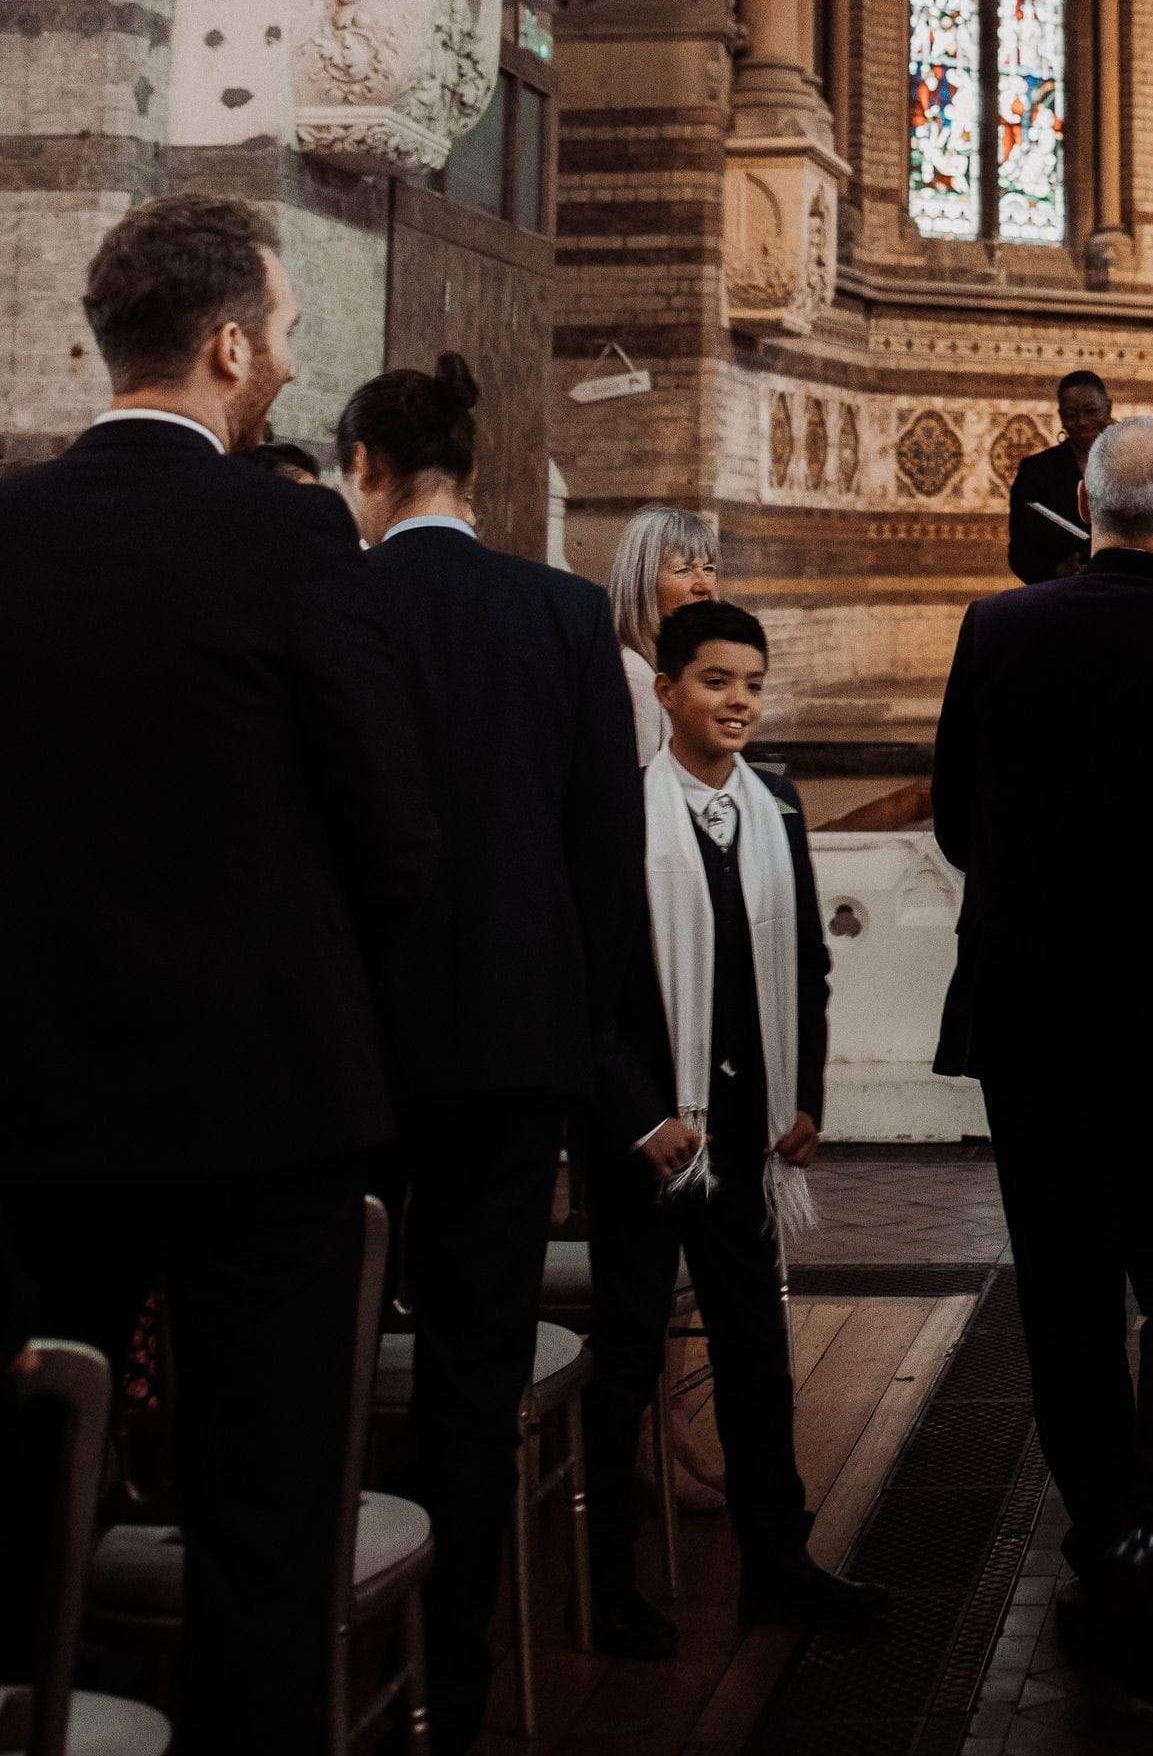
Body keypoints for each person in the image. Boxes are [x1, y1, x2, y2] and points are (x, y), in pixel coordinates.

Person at [0, 196, 437, 1756]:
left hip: (37, 1107)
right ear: (233, 344)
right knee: (264, 1520)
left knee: (29, 1502)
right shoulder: (287, 529)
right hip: (265, 1112)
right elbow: (389, 824)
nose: (289, 359)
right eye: (289, 331)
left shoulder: (10, 526)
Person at [934, 414, 1153, 1702]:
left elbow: (952, 823)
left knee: (1067, 1291)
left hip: (1032, 1017)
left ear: (1080, 503)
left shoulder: (997, 630)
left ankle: (1102, 1534)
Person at [338, 354, 646, 1756]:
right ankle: (458, 1688)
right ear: (476, 472)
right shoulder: (566, 614)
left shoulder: (335, 603)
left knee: (330, 1364)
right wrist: (607, 1067)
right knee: (473, 1377)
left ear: (363, 469)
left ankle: (337, 1656)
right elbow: (604, 864)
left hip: (351, 1063)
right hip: (519, 1058)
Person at [586, 600, 874, 1652]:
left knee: (757, 1355)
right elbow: (589, 985)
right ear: (666, 693)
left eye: (751, 682)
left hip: (748, 1130)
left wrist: (807, 1096)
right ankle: (610, 1586)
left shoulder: (778, 807)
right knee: (623, 1363)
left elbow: (806, 956)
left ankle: (779, 1566)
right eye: (715, 681)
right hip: (650, 1138)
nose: (738, 700)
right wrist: (639, 1115)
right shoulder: (620, 808)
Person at [606, 503, 723, 760]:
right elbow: (641, 793)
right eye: (683, 570)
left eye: (709, 569)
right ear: (642, 583)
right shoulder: (634, 677)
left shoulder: (675, 667)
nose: (704, 586)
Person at [1007, 369, 1112, 582]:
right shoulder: (1036, 472)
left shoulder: (1130, 465)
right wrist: (1055, 572)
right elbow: (1019, 554)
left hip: (1122, 594)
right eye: (1071, 414)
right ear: (1060, 416)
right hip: (1061, 594)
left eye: (1091, 411)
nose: (1081, 421)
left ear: (1108, 408)